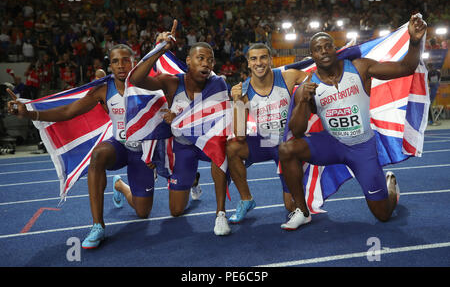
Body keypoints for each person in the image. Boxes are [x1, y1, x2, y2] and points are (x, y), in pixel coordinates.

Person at [277, 14, 427, 230]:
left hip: (362, 148)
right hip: (332, 144)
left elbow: (405, 68)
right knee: (287, 149)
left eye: (328, 46)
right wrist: (302, 101)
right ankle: (302, 211)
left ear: (334, 49)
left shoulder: (359, 68)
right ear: (313, 55)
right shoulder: (308, 86)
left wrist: (414, 42)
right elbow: (297, 131)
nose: (324, 51)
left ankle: (390, 187)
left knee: (383, 215)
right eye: (318, 49)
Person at [6, 44, 161, 249]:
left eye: (125, 60)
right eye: (115, 61)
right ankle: (98, 225)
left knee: (143, 213)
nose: (121, 65)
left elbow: (167, 116)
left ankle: (120, 186)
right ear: (110, 65)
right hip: (119, 147)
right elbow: (67, 112)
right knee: (97, 155)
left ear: (134, 61)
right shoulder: (104, 89)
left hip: (144, 152)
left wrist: (158, 154)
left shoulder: (149, 85)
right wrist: (29, 113)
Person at [129, 19, 231, 236]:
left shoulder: (218, 84)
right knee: (176, 211)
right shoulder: (173, 83)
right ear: (188, 61)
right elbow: (136, 79)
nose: (206, 64)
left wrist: (180, 115)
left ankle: (220, 214)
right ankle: (193, 179)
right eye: (200, 58)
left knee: (222, 153)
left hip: (207, 144)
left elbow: (224, 119)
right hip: (183, 147)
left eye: (210, 60)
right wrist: (160, 49)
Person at [226, 43, 308, 223]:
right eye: (254, 59)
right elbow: (240, 135)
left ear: (270, 60)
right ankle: (246, 199)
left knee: (292, 207)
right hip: (264, 142)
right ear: (248, 63)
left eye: (263, 57)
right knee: (232, 147)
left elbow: (316, 82)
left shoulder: (289, 76)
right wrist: (237, 101)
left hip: (287, 144)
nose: (259, 63)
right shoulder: (244, 90)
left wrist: (305, 94)